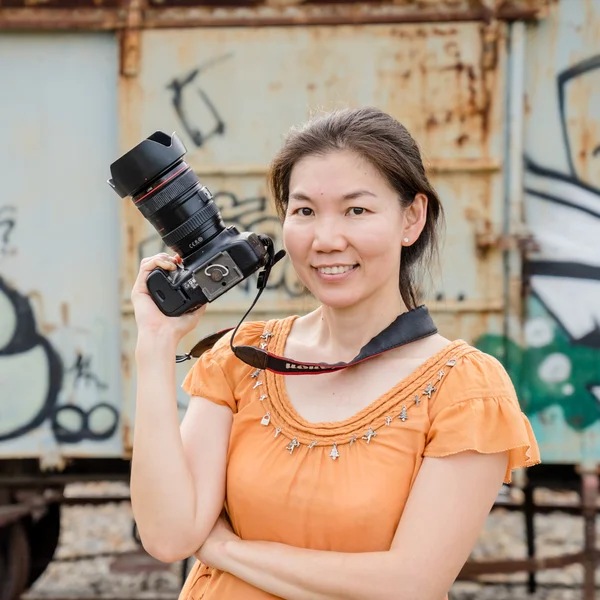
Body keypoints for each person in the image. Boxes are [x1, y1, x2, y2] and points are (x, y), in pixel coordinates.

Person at [129, 107, 541, 600]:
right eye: (304, 211)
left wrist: (221, 549)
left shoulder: (465, 390)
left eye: (356, 210)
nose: (325, 240)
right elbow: (169, 535)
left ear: (412, 218)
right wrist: (155, 345)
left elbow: (408, 584)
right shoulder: (241, 359)